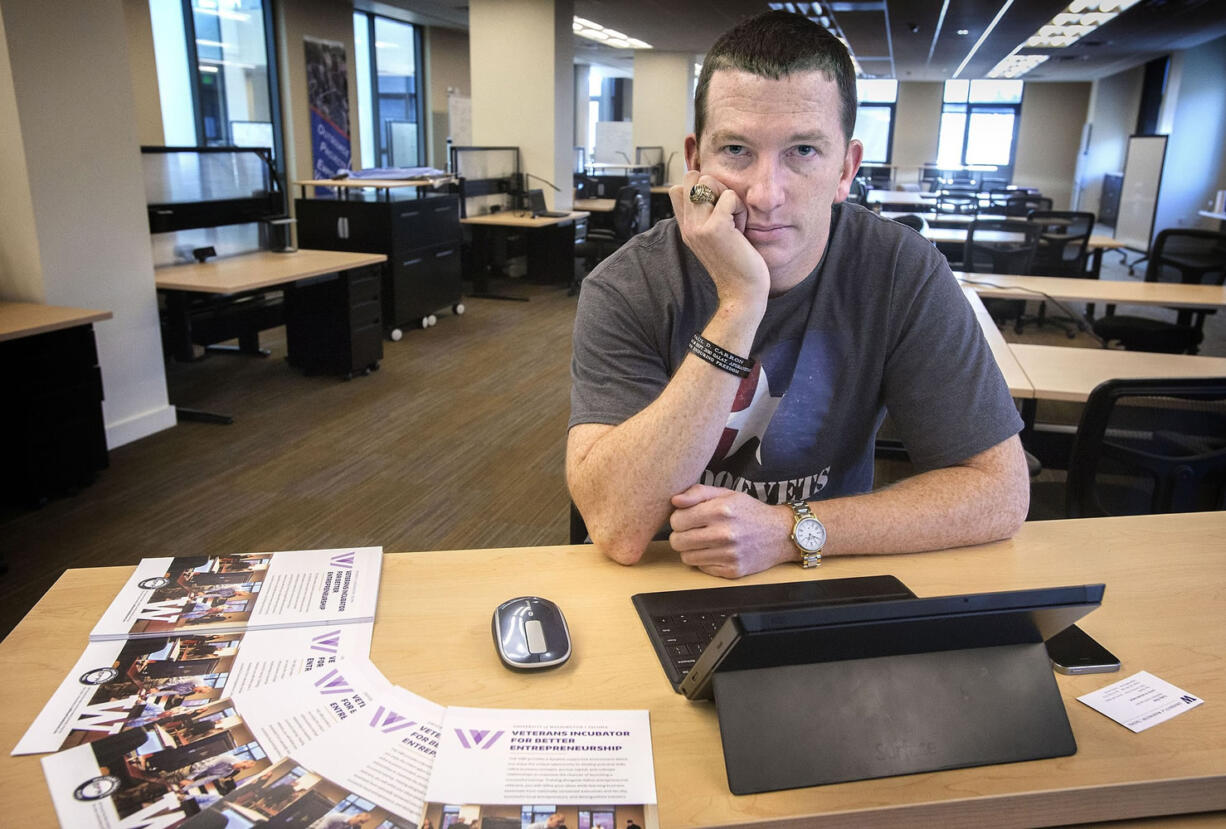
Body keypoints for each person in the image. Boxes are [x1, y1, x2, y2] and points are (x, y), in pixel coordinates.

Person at [567, 10, 1029, 579]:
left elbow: (1000, 493)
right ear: (695, 162)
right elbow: (616, 526)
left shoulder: (900, 271)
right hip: (664, 578)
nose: (765, 194)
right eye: (736, 149)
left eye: (803, 151)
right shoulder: (628, 284)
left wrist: (789, 531)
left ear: (846, 169)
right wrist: (740, 303)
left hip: (825, 569)